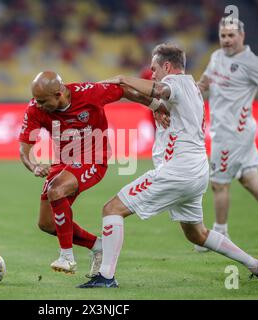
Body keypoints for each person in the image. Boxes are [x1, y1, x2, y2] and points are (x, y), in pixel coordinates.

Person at [78, 43, 258, 288]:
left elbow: (158, 89)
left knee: (111, 210)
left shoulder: (178, 83)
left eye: (154, 69)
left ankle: (106, 277)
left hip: (178, 171)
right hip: (196, 171)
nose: (152, 73)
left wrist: (119, 79)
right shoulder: (189, 88)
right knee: (197, 234)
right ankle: (255, 265)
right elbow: (146, 97)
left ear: (167, 66)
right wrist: (142, 101)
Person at [18, 71, 163, 275]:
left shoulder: (89, 94)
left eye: (43, 101)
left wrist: (157, 107)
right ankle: (99, 246)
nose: (38, 105)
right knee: (47, 223)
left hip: (94, 157)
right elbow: (24, 147)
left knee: (56, 190)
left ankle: (66, 257)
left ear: (59, 94)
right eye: (36, 100)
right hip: (64, 162)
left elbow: (123, 91)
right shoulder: (35, 108)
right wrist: (34, 165)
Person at [196, 18, 258, 252]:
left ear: (242, 36)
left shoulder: (252, 62)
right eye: (223, 35)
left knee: (218, 184)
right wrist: (194, 88)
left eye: (231, 35)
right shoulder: (217, 57)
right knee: (249, 178)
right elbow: (205, 81)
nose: (226, 40)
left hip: (232, 133)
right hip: (228, 130)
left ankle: (219, 233)